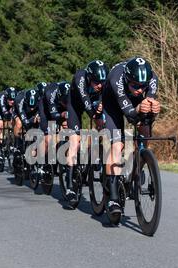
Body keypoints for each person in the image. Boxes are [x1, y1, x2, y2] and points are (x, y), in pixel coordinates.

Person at [101, 57, 161, 216]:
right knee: (117, 145)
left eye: (143, 86)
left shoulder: (153, 79)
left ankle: (138, 164)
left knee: (145, 132)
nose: (140, 90)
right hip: (113, 103)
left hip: (134, 102)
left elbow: (146, 111)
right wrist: (140, 107)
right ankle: (113, 198)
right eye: (135, 86)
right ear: (127, 79)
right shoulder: (116, 80)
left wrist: (153, 109)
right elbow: (130, 114)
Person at [64, 60, 109, 206]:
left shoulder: (102, 83)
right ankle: (70, 186)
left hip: (95, 102)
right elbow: (86, 103)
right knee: (74, 142)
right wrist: (95, 114)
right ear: (89, 78)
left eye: (102, 82)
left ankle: (96, 154)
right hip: (76, 105)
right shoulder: (80, 78)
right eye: (96, 82)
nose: (99, 85)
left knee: (104, 127)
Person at [0, 86, 17, 170]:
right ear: (6, 97)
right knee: (0, 125)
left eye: (13, 100)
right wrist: (9, 114)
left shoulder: (15, 100)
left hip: (10, 110)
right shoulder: (1, 97)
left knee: (15, 123)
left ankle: (12, 140)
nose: (12, 101)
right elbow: (5, 112)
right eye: (10, 99)